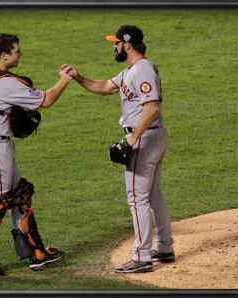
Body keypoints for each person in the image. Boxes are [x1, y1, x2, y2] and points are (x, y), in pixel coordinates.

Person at [61, 25, 175, 273]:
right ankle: (164, 247)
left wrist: (132, 140)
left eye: (116, 43)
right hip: (152, 136)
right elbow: (104, 86)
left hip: (144, 138)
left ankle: (142, 257)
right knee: (153, 194)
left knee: (138, 199)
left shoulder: (142, 70)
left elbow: (152, 107)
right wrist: (78, 77)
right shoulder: (131, 70)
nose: (113, 46)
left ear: (127, 44)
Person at [0, 33, 72, 277]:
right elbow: (47, 100)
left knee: (20, 193)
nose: (20, 54)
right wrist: (65, 79)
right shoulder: (8, 83)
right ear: (4, 55)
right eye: (17, 50)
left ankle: (37, 254)